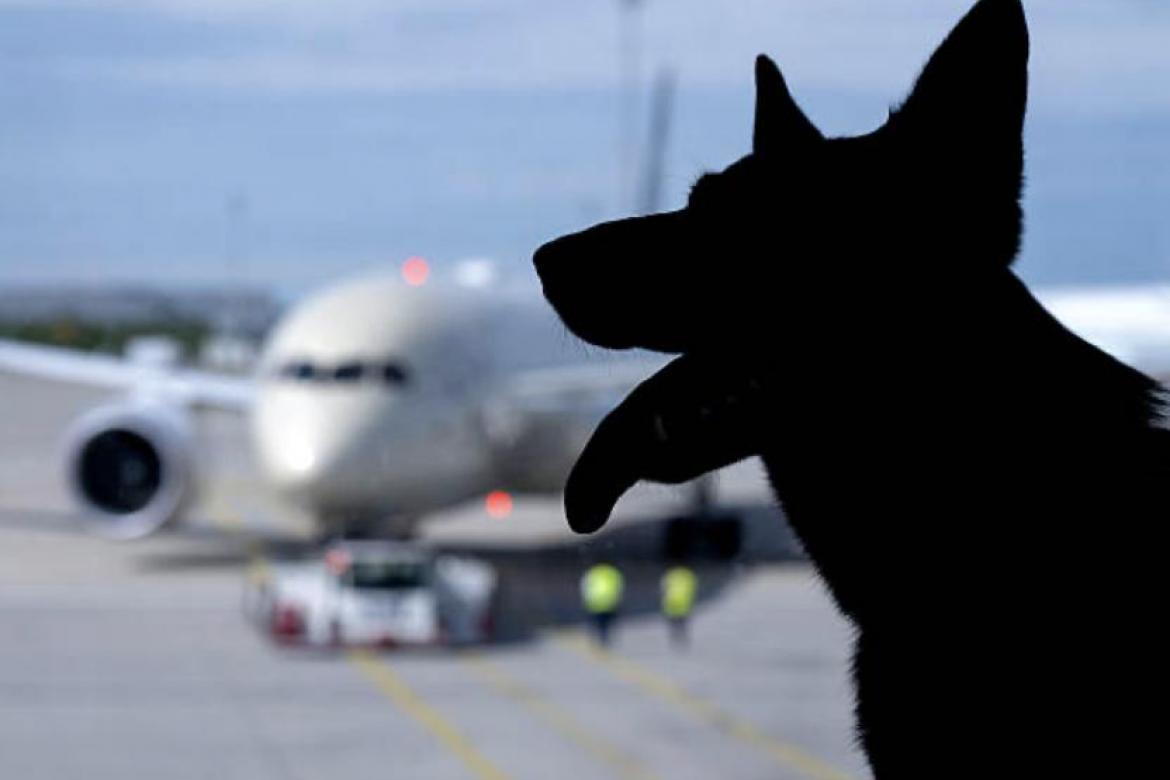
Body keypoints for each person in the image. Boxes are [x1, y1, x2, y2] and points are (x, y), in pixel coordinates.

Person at [580, 562, 624, 647]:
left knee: (597, 622)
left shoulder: (592, 572)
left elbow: (585, 586)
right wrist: (618, 599)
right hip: (610, 602)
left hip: (595, 602)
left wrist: (586, 599)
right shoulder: (612, 572)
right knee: (606, 623)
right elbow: (619, 587)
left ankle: (598, 638)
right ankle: (604, 638)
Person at [660, 565, 697, 648]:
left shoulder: (670, 574)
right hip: (683, 606)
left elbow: (664, 589)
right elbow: (692, 590)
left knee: (674, 624)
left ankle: (676, 636)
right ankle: (680, 636)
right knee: (681, 624)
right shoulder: (688, 575)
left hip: (672, 605)